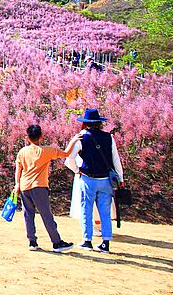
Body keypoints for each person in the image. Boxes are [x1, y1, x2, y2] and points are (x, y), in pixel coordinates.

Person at [65, 108, 124, 253]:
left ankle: (87, 240)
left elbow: (69, 159)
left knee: (86, 209)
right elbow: (116, 160)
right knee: (105, 212)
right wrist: (120, 178)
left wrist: (77, 170)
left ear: (85, 123)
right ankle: (106, 243)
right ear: (99, 123)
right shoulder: (108, 137)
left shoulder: (81, 137)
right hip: (105, 181)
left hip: (88, 179)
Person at [13, 124, 77, 252]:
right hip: (39, 187)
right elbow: (66, 153)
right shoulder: (47, 151)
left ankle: (32, 242)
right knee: (46, 215)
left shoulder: (22, 152)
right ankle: (56, 242)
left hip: (25, 186)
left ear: (27, 138)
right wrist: (74, 139)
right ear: (41, 137)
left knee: (28, 214)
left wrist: (17, 184)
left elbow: (18, 170)